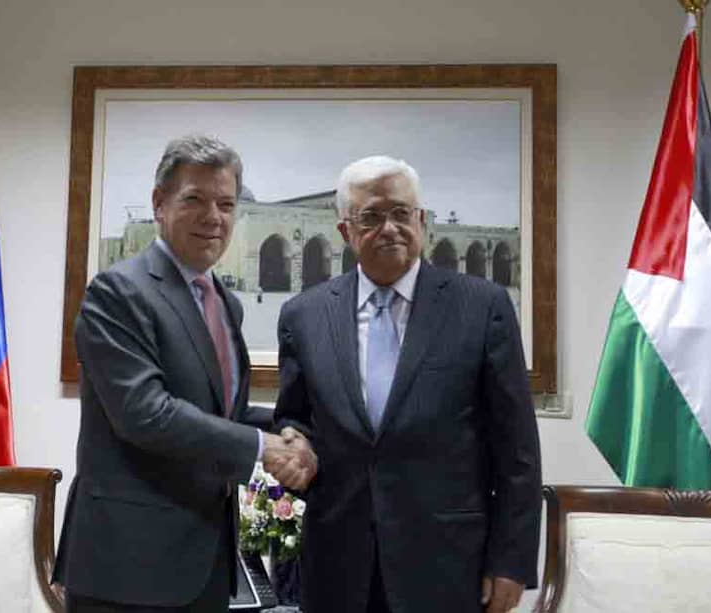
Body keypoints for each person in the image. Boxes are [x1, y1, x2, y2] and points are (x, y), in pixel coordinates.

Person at [53, 135, 317, 613]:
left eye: (225, 203)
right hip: (126, 568)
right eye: (194, 199)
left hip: (204, 564)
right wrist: (264, 447)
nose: (212, 217)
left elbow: (221, 413)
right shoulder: (118, 291)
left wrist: (287, 430)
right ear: (159, 203)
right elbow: (145, 413)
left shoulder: (225, 302)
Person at [273, 156, 541, 613]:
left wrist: (511, 561)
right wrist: (295, 441)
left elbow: (516, 449)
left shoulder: (481, 308)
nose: (390, 228)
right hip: (338, 565)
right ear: (345, 231)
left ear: (422, 221)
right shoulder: (304, 315)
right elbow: (296, 416)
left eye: (402, 213)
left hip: (449, 565)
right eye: (371, 217)